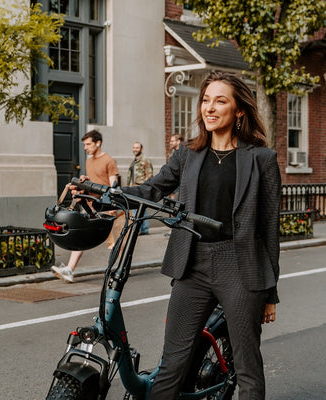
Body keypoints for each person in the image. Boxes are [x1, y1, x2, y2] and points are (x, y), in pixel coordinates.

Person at [120, 71, 281, 399]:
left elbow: (269, 229)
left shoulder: (261, 159)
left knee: (248, 368)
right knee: (172, 365)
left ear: (238, 110)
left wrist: (270, 293)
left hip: (240, 268)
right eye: (206, 100)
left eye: (220, 100)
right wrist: (110, 196)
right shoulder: (188, 155)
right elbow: (153, 188)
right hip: (192, 266)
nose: (210, 107)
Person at [51, 129, 118, 283]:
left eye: (88, 144)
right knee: (81, 236)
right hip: (89, 205)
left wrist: (113, 204)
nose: (85, 148)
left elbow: (113, 185)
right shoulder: (88, 161)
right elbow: (93, 182)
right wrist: (85, 180)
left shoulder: (109, 160)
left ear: (98, 143)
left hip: (105, 206)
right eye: (85, 144)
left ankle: (120, 268)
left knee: (116, 242)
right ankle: (69, 269)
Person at [127, 141, 153, 235]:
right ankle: (144, 229)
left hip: (141, 188)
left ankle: (139, 229)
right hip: (133, 188)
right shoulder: (134, 161)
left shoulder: (145, 160)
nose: (135, 149)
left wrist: (145, 189)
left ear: (141, 149)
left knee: (138, 208)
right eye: (134, 147)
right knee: (140, 209)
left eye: (137, 148)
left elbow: (149, 176)